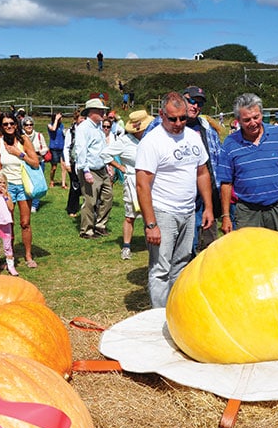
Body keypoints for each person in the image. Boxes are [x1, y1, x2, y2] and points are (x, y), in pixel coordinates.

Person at [135, 92, 213, 308]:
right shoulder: (152, 142)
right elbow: (142, 184)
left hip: (188, 212)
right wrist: (151, 224)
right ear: (161, 115)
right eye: (172, 119)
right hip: (163, 212)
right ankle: (158, 315)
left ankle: (175, 311)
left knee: (181, 264)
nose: (178, 123)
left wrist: (208, 207)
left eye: (182, 118)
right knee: (161, 268)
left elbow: (202, 172)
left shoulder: (193, 137)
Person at [145, 86, 222, 253]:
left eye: (199, 103)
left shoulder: (207, 128)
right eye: (191, 101)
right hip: (169, 202)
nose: (195, 106)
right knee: (171, 252)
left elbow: (213, 164)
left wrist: (213, 202)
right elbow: (145, 166)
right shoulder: (159, 125)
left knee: (203, 247)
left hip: (202, 197)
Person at [218, 93, 278, 238]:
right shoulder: (230, 144)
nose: (252, 123)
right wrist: (226, 215)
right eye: (246, 120)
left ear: (262, 114)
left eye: (256, 117)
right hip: (247, 211)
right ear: (238, 120)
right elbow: (226, 182)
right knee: (250, 255)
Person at [101, 110, 154, 260]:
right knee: (130, 215)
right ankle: (126, 246)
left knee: (151, 213)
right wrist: (120, 167)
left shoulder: (151, 139)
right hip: (132, 180)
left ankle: (152, 245)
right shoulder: (125, 141)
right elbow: (105, 154)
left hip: (151, 181)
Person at [0, 112, 41, 268]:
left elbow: (35, 163)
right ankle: (9, 256)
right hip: (7, 188)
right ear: (1, 126)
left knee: (25, 222)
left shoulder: (23, 140)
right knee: (8, 223)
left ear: (16, 124)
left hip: (23, 186)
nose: (9, 127)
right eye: (5, 124)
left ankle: (28, 255)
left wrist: (19, 153)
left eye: (11, 123)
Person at [75, 98, 113, 239]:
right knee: (90, 201)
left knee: (108, 197)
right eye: (100, 110)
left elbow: (102, 148)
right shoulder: (83, 128)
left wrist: (107, 164)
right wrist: (85, 171)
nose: (104, 113)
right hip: (90, 169)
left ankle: (100, 225)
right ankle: (87, 230)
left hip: (101, 168)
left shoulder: (98, 127)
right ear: (92, 112)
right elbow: (81, 150)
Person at [21, 116, 48, 213]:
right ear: (23, 126)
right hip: (25, 163)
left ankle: (35, 204)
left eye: (31, 124)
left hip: (39, 162)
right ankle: (26, 202)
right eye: (26, 125)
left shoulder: (39, 135)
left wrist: (39, 152)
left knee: (37, 183)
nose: (29, 126)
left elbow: (45, 148)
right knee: (26, 183)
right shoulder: (21, 137)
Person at [63, 109, 84, 217]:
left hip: (84, 162)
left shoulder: (86, 131)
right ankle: (72, 209)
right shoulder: (70, 132)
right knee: (75, 185)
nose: (83, 120)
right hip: (73, 162)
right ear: (76, 119)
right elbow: (66, 148)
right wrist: (67, 163)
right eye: (81, 118)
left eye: (84, 118)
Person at [47, 112, 67, 188]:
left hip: (61, 148)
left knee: (63, 166)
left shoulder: (62, 126)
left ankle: (63, 184)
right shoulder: (49, 125)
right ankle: (51, 181)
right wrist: (56, 119)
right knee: (54, 167)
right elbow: (53, 129)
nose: (61, 119)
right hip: (54, 149)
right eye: (60, 117)